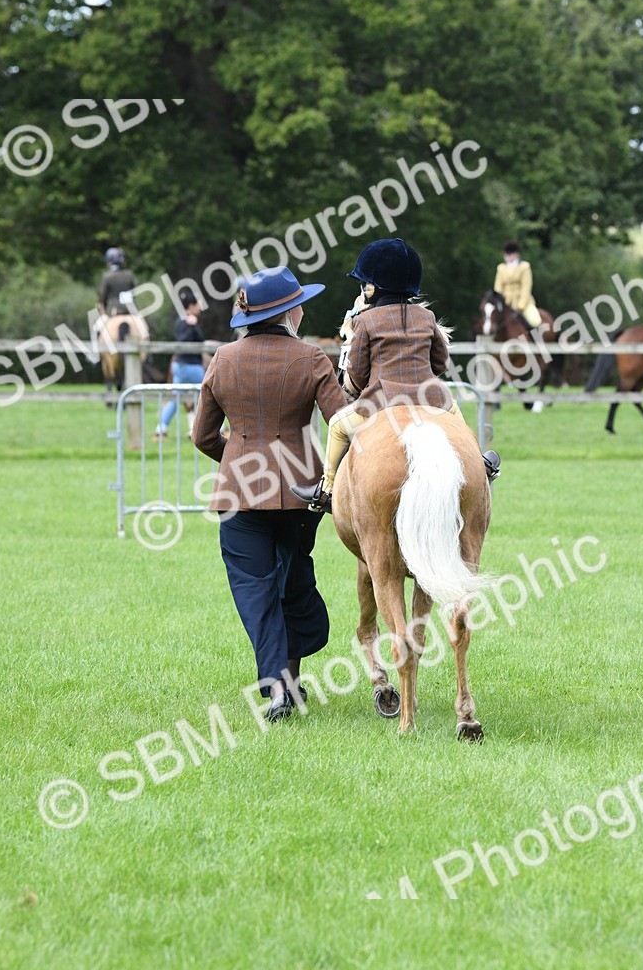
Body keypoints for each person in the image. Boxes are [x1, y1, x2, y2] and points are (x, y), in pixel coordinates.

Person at [192, 265, 347, 722]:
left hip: (239, 496)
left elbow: (203, 437)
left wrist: (241, 461)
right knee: (291, 580)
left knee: (255, 591)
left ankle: (278, 688)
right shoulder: (312, 358)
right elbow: (342, 424)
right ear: (289, 312)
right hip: (302, 493)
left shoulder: (222, 359)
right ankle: (290, 683)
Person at [291, 238, 500, 514]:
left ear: (373, 287)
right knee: (456, 417)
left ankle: (326, 489)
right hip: (430, 399)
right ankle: (479, 462)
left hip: (382, 402)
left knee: (339, 426)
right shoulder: (427, 316)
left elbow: (357, 372)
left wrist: (355, 385)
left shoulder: (364, 321)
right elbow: (439, 362)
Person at [153, 294, 206, 438]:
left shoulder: (179, 321)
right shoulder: (188, 323)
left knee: (175, 399)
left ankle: (160, 429)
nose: (200, 307)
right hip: (191, 366)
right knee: (208, 395)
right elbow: (188, 341)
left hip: (179, 366)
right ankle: (218, 430)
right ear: (190, 306)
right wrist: (193, 326)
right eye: (197, 304)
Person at [493, 240, 541, 329]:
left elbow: (526, 288)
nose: (508, 256)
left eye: (510, 254)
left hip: (523, 302)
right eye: (506, 254)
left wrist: (521, 305)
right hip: (506, 303)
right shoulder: (501, 268)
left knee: (536, 321)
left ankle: (536, 340)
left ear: (516, 254)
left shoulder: (524, 267)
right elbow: (498, 287)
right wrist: (499, 302)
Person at [98, 247, 137, 316]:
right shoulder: (129, 275)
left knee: (97, 326)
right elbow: (134, 294)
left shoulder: (107, 277)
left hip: (113, 311)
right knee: (142, 324)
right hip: (130, 310)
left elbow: (103, 298)